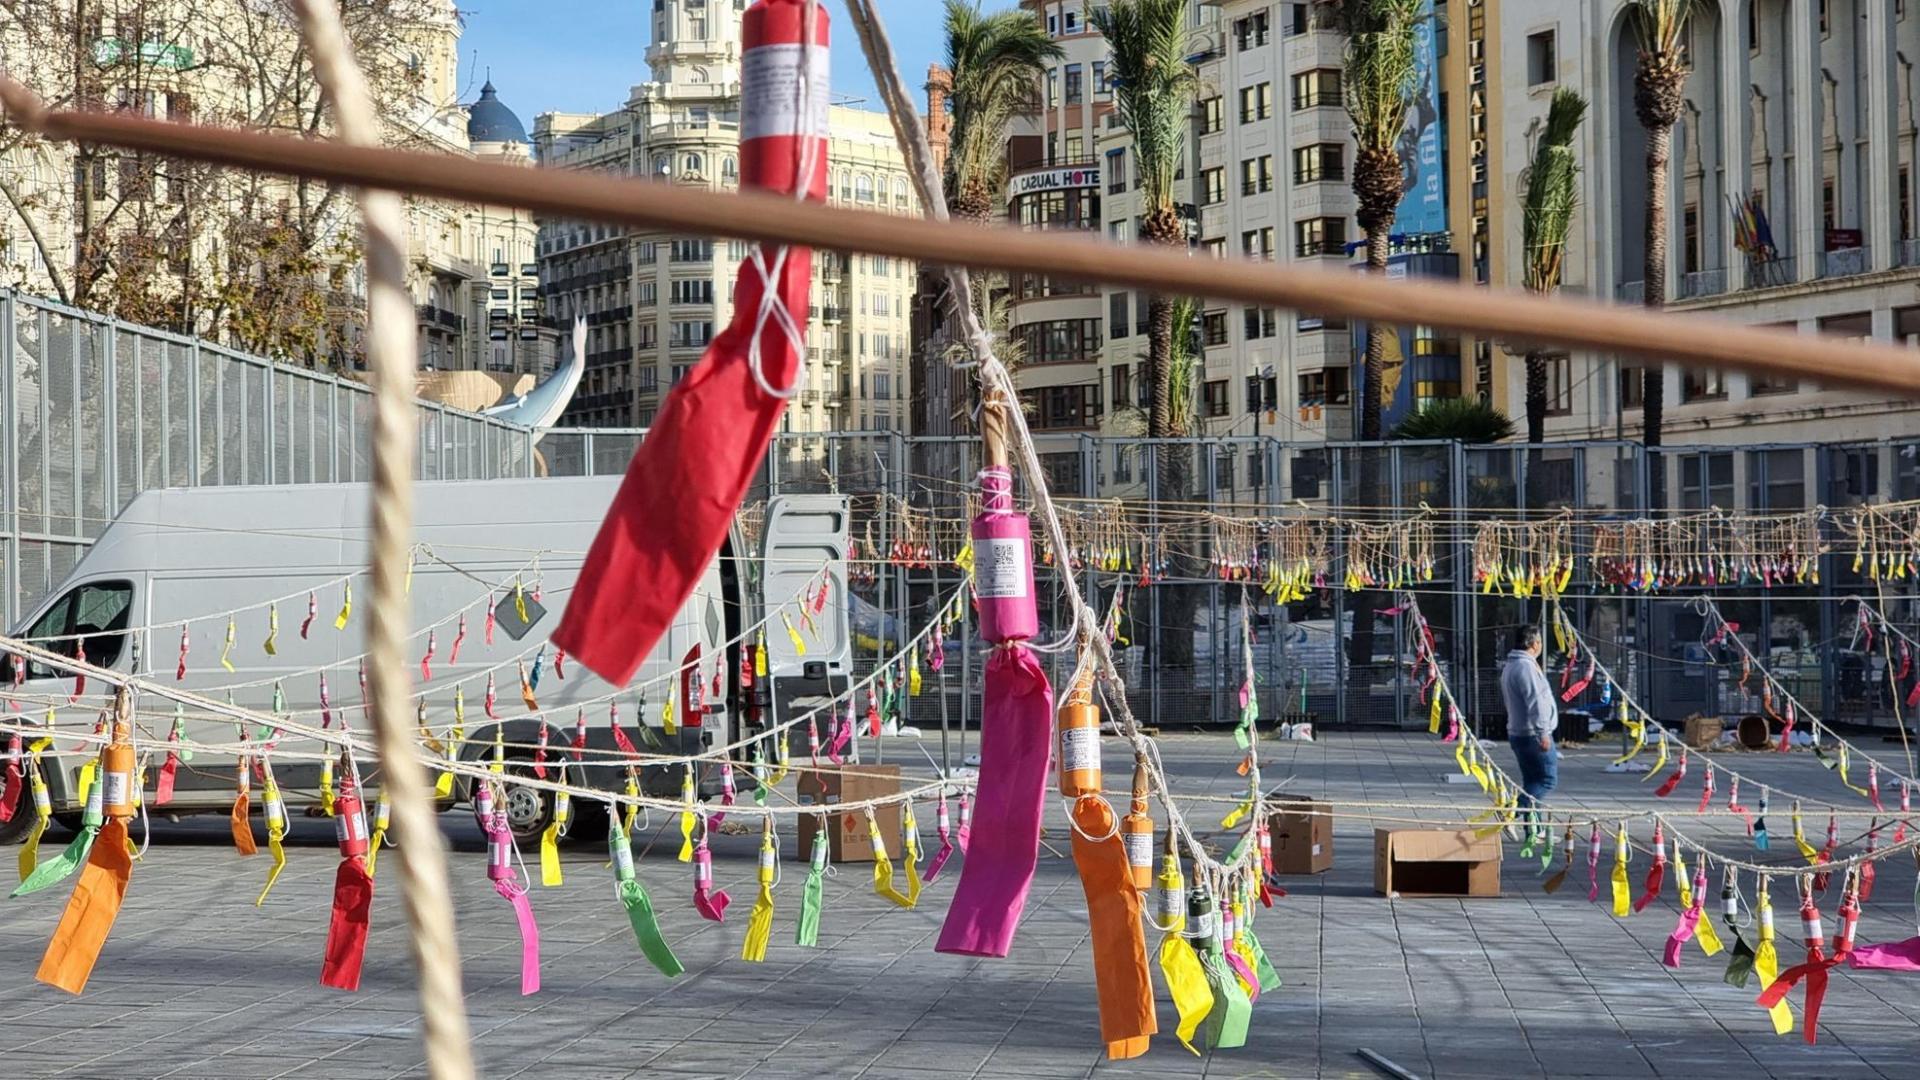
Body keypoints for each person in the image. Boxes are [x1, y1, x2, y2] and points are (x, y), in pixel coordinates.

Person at [1500, 625, 1558, 836]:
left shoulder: (1512, 665)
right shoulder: (1525, 667)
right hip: (1531, 734)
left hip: (1519, 732)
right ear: (1534, 644)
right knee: (1547, 780)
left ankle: (1535, 829)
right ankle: (1512, 811)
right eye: (1540, 641)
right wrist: (1543, 732)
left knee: (1532, 782)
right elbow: (1537, 702)